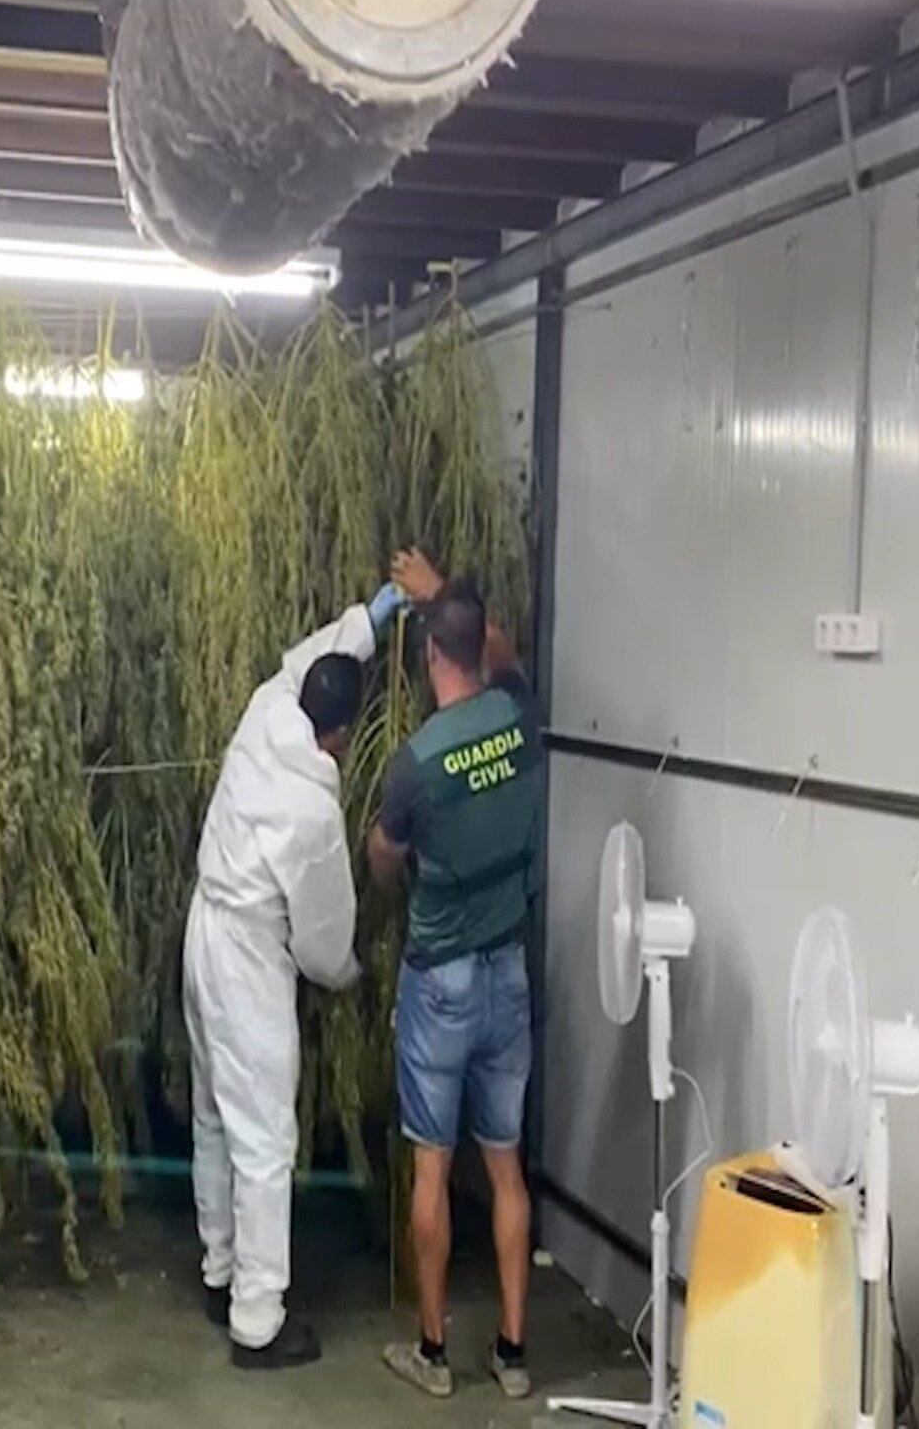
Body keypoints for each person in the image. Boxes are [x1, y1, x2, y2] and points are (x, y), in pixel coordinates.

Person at [185, 578, 408, 1370]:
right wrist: (350, 973)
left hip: (203, 928)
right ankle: (258, 1320)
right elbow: (318, 941)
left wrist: (371, 621)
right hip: (248, 957)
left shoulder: (267, 710)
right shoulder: (312, 812)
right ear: (341, 735)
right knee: (265, 1139)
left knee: (215, 1111)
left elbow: (304, 662)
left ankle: (220, 1270)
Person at [368, 553, 545, 1401]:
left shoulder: (415, 763)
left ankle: (433, 1356)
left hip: (439, 983)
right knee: (506, 1168)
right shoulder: (519, 715)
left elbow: (384, 860)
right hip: (509, 973)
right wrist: (443, 593)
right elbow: (502, 652)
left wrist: (383, 846)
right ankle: (514, 1356)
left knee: (432, 1167)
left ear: (430, 657)